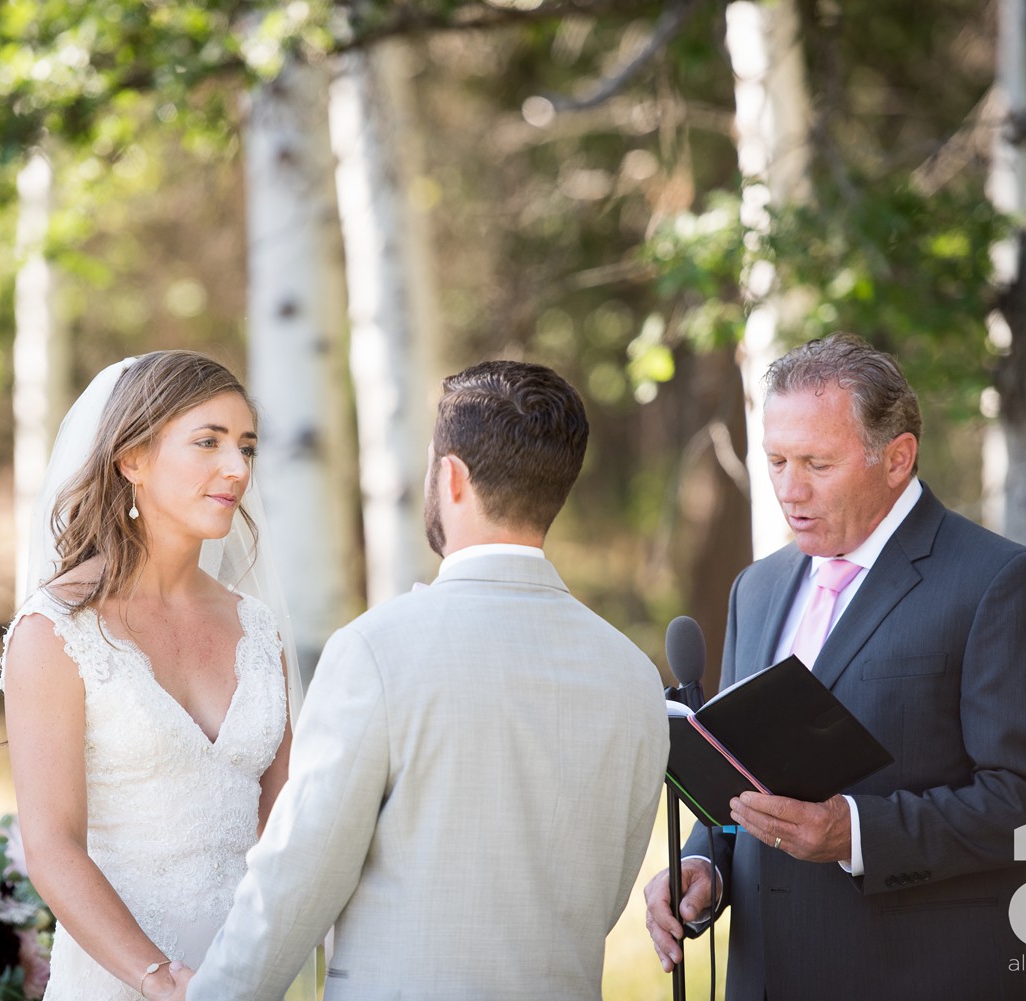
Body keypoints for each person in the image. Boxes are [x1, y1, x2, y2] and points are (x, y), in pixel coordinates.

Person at [179, 359, 670, 1001]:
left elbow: (297, 879)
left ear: (452, 477)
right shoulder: (634, 675)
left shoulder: (377, 650)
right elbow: (603, 897)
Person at [643, 333, 1026, 1000]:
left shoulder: (1001, 582)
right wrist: (706, 862)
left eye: (817, 463)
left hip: (928, 978)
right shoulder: (756, 589)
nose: (791, 489)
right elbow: (743, 780)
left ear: (897, 458)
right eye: (777, 460)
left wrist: (858, 832)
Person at [0, 352, 308, 1001]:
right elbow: (52, 843)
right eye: (209, 441)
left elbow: (283, 833)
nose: (237, 468)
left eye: (246, 446)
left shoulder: (259, 631)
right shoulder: (56, 630)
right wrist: (160, 978)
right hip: (120, 978)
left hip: (244, 978)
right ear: (131, 458)